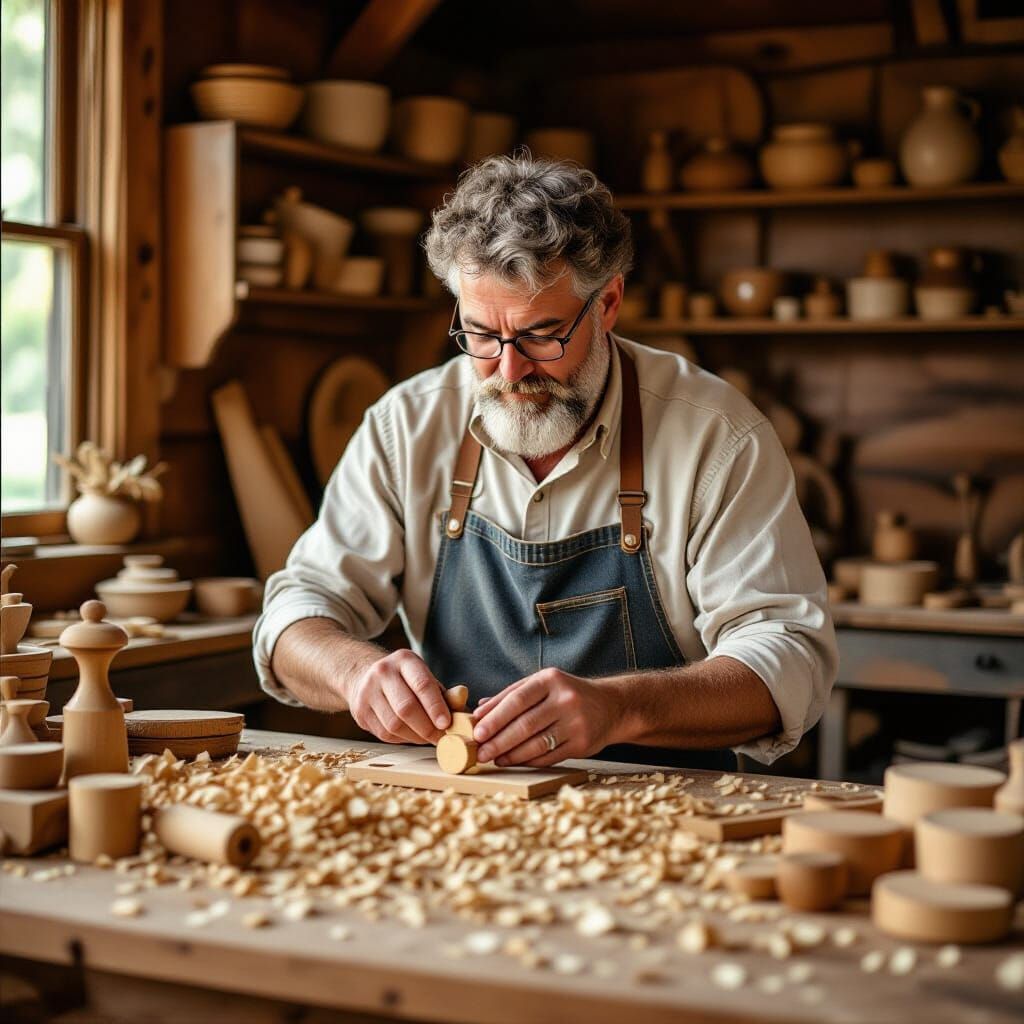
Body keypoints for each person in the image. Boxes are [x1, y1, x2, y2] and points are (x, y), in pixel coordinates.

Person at [253, 153, 837, 770]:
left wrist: (621, 708)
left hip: (666, 815)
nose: (509, 372)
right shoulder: (407, 426)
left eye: (540, 334)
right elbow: (294, 615)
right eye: (481, 334)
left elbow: (789, 657)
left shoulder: (717, 437)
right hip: (464, 808)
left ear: (607, 303)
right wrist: (355, 674)